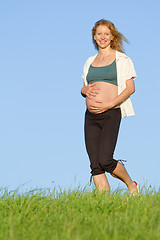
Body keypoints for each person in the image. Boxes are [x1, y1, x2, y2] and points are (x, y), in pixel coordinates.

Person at [81, 19, 140, 195]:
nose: (103, 37)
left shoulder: (122, 59)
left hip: (111, 112)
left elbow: (130, 88)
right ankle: (104, 205)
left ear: (112, 36)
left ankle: (132, 185)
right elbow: (86, 87)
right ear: (94, 36)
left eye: (106, 34)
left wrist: (108, 104)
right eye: (99, 34)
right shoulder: (89, 61)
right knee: (95, 165)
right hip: (90, 117)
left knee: (105, 160)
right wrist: (83, 90)